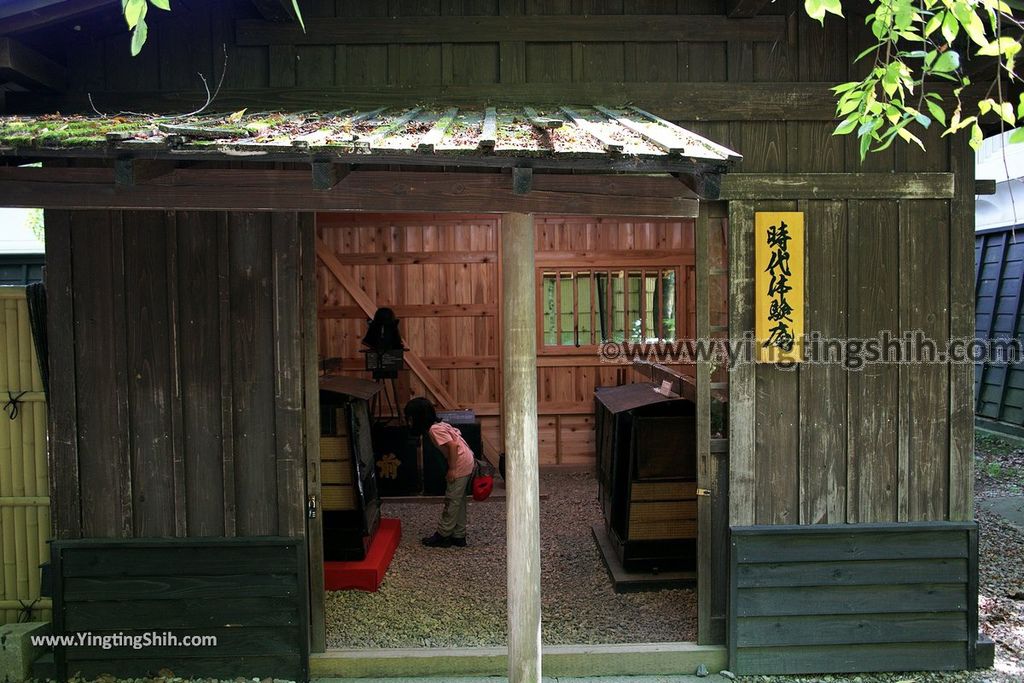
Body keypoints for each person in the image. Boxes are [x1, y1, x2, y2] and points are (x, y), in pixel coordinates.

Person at [404, 397, 475, 548]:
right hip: (467, 461)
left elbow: (453, 445)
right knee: (459, 500)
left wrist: (452, 469)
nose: (409, 421)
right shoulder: (441, 424)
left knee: (451, 500)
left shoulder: (434, 429)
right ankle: (459, 535)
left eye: (410, 418)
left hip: (460, 464)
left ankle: (443, 535)